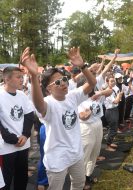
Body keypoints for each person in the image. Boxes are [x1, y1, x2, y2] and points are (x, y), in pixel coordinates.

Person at [20, 47, 96, 190]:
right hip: (57, 158)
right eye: (57, 82)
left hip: (76, 154)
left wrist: (82, 66)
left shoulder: (72, 96)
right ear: (48, 89)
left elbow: (92, 84)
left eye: (64, 79)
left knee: (79, 184)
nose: (63, 83)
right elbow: (39, 104)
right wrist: (34, 76)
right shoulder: (48, 103)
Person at [0, 66, 34, 190]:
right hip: (7, 146)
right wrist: (12, 139)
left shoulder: (22, 95)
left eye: (22, 77)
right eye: (18, 77)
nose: (22, 80)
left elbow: (29, 115)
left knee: (22, 176)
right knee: (6, 179)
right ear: (7, 79)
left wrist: (25, 135)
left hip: (23, 143)